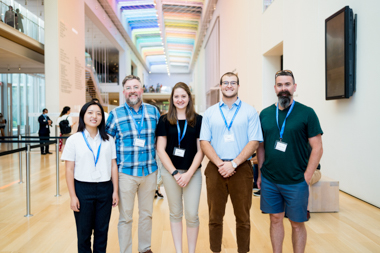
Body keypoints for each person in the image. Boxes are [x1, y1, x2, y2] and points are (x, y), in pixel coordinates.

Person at [257, 70, 323, 253]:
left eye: (287, 84)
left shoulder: (307, 113)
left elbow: (317, 148)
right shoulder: (265, 114)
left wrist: (307, 177)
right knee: (275, 219)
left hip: (296, 180)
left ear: (294, 87)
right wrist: (261, 174)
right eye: (280, 85)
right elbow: (261, 147)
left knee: (296, 223)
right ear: (274, 88)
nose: (283, 88)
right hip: (270, 179)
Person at [200, 72, 263, 253]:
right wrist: (221, 164)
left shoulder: (249, 111)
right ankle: (215, 250)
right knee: (214, 217)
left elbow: (254, 142)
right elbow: (204, 141)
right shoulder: (210, 113)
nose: (229, 85)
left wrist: (233, 164)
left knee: (243, 217)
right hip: (215, 169)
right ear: (220, 86)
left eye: (233, 82)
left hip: (242, 169)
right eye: (225, 83)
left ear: (238, 86)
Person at [106, 75, 160, 253]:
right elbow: (107, 145)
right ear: (124, 92)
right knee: (125, 217)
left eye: (136, 87)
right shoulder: (115, 114)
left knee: (147, 214)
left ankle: (145, 248)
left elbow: (161, 140)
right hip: (125, 174)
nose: (132, 91)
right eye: (128, 88)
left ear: (142, 90)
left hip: (149, 171)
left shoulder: (153, 112)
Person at [62, 101, 119, 253]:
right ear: (83, 116)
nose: (95, 116)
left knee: (102, 232)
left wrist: (115, 191)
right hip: (82, 189)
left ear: (102, 118)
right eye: (90, 112)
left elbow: (114, 166)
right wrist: (73, 196)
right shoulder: (74, 140)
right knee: (84, 233)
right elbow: (69, 169)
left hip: (105, 189)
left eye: (98, 113)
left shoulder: (108, 140)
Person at [156, 82, 203, 253]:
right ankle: (179, 251)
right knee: (175, 213)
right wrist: (175, 173)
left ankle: (191, 251)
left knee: (192, 214)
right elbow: (160, 149)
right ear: (172, 99)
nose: (180, 99)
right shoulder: (164, 120)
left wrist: (189, 174)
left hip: (193, 173)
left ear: (189, 98)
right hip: (171, 174)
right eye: (176, 96)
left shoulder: (198, 120)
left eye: (183, 96)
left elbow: (201, 151)